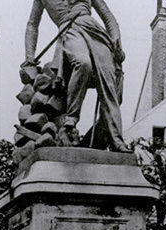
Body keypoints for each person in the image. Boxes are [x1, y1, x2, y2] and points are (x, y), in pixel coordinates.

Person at [23, 0, 131, 152]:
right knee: (83, 63)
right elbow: (32, 24)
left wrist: (116, 41)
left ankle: (116, 139)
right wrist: (29, 56)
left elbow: (107, 16)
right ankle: (71, 119)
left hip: (95, 32)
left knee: (109, 80)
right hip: (69, 32)